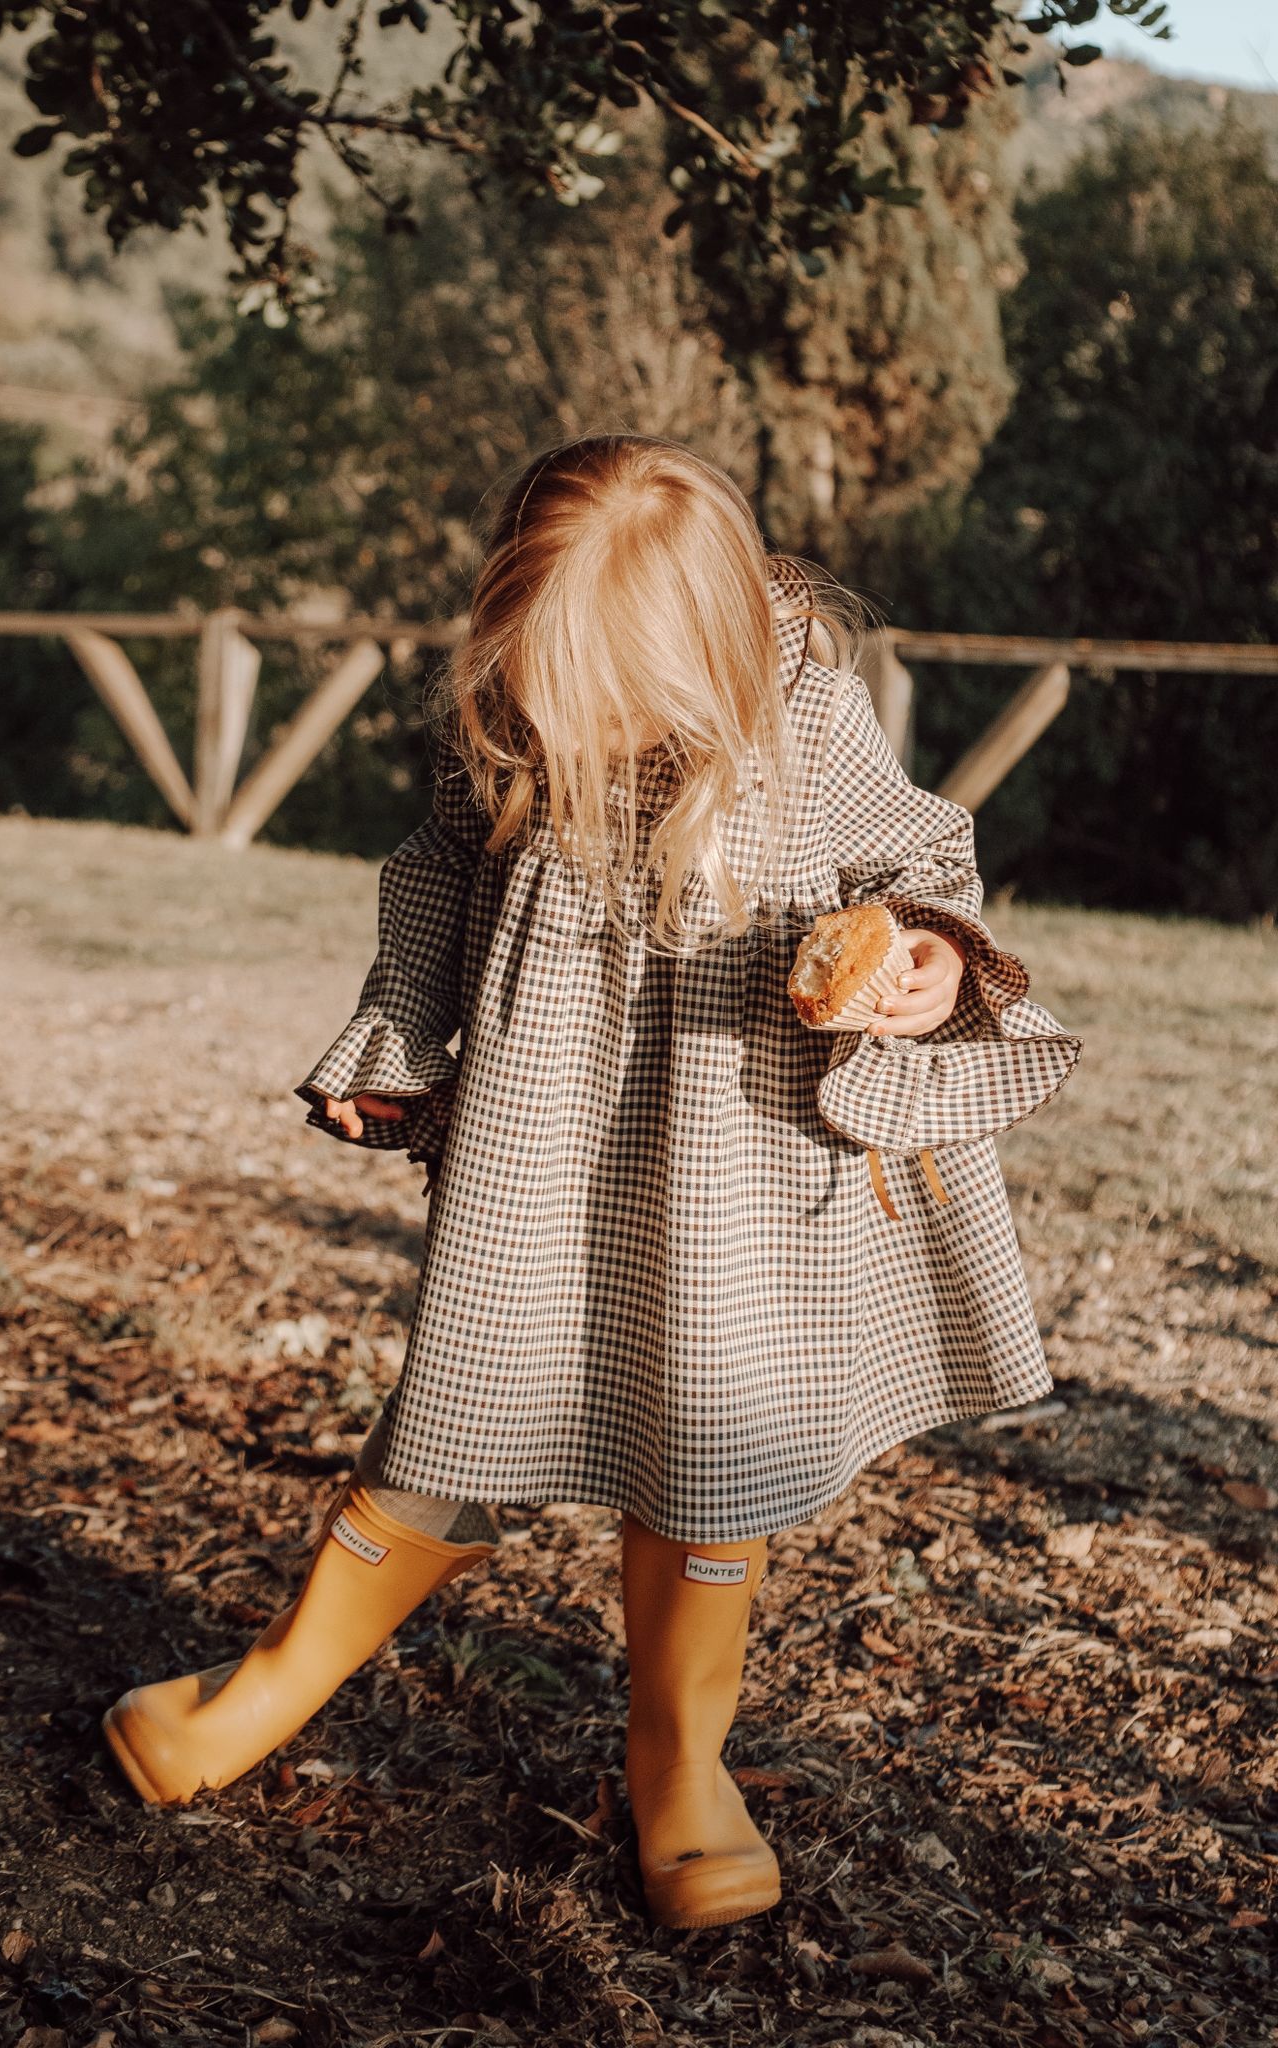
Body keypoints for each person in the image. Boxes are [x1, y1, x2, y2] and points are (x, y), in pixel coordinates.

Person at [102, 433, 1084, 1931]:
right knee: (465, 1403)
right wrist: (398, 1036)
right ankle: (265, 1691)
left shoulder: (804, 694)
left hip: (738, 1129)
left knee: (710, 1436)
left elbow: (914, 849)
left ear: (717, 633)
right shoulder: (506, 698)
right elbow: (439, 867)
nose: (594, 706)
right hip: (540, 1132)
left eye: (628, 676)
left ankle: (677, 1764)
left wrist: (922, 955)